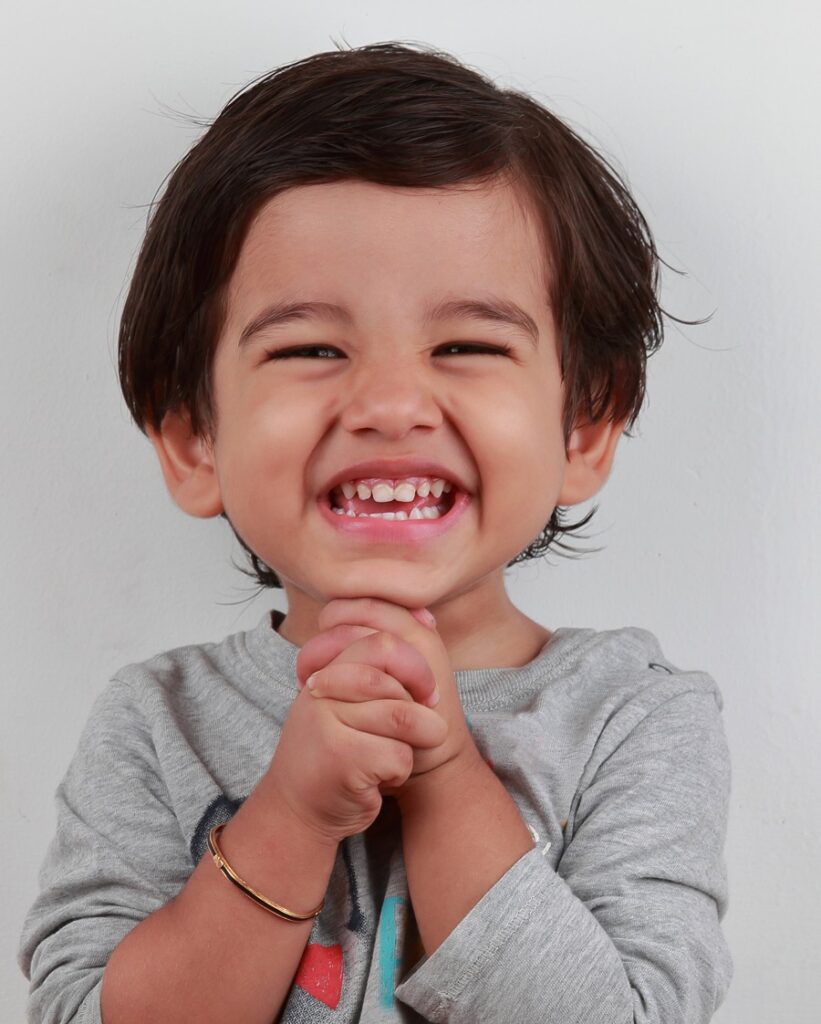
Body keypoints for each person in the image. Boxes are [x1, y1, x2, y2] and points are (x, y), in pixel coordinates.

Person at [18, 40, 732, 1024]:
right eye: (311, 346)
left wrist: (441, 774)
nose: (391, 403)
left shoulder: (633, 720)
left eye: (467, 344)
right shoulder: (155, 721)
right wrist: (288, 819)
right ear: (192, 438)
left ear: (582, 426)